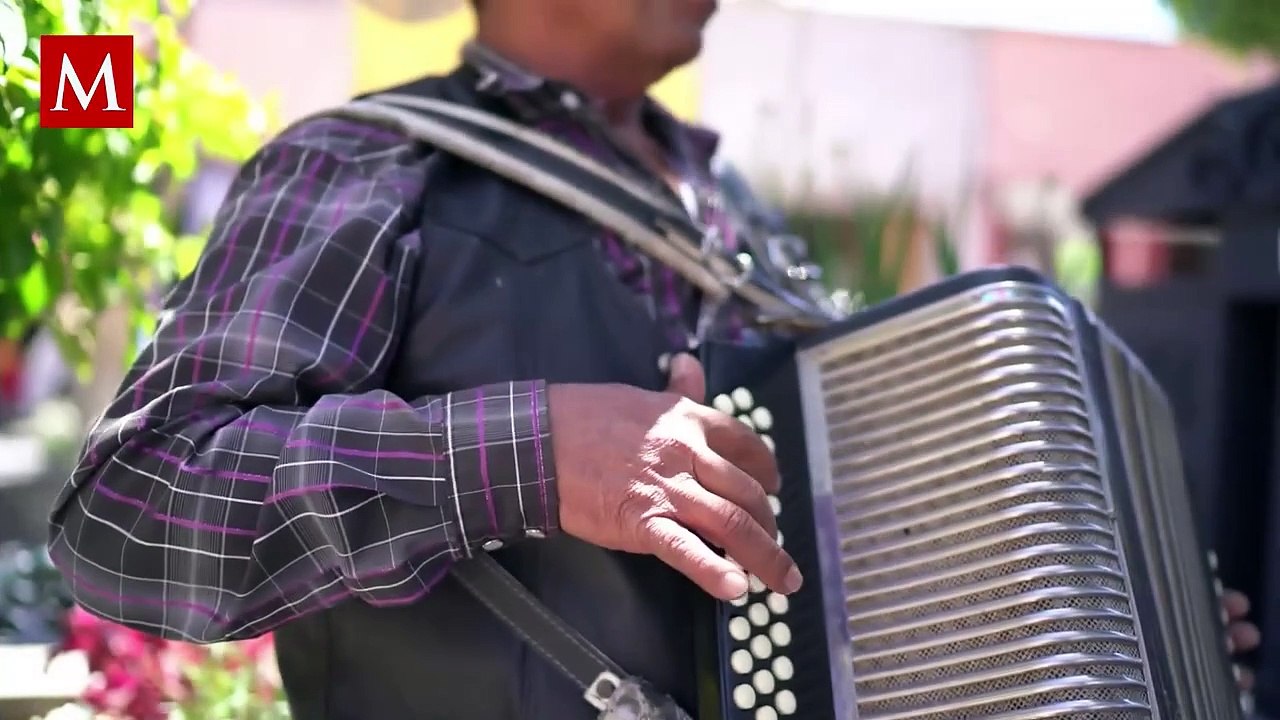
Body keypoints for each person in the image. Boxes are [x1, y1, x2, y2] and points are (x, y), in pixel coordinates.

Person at [47, 0, 1260, 717]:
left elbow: (841, 572)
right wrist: (529, 454)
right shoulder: (362, 164)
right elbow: (129, 509)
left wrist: (1108, 608)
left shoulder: (732, 212)